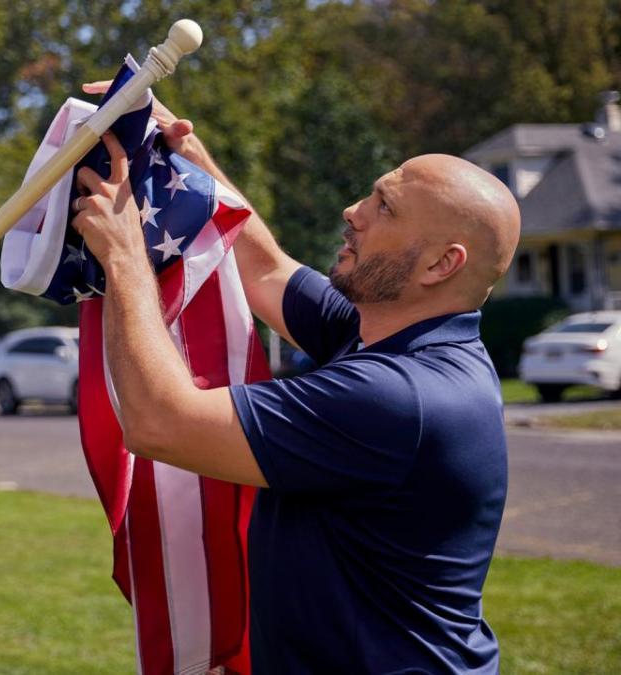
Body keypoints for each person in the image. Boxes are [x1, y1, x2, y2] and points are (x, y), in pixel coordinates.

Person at [70, 85, 520, 673]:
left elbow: (160, 423)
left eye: (384, 206)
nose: (352, 211)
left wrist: (126, 256)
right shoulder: (390, 333)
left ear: (440, 265)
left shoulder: (400, 396)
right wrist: (189, 155)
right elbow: (267, 271)